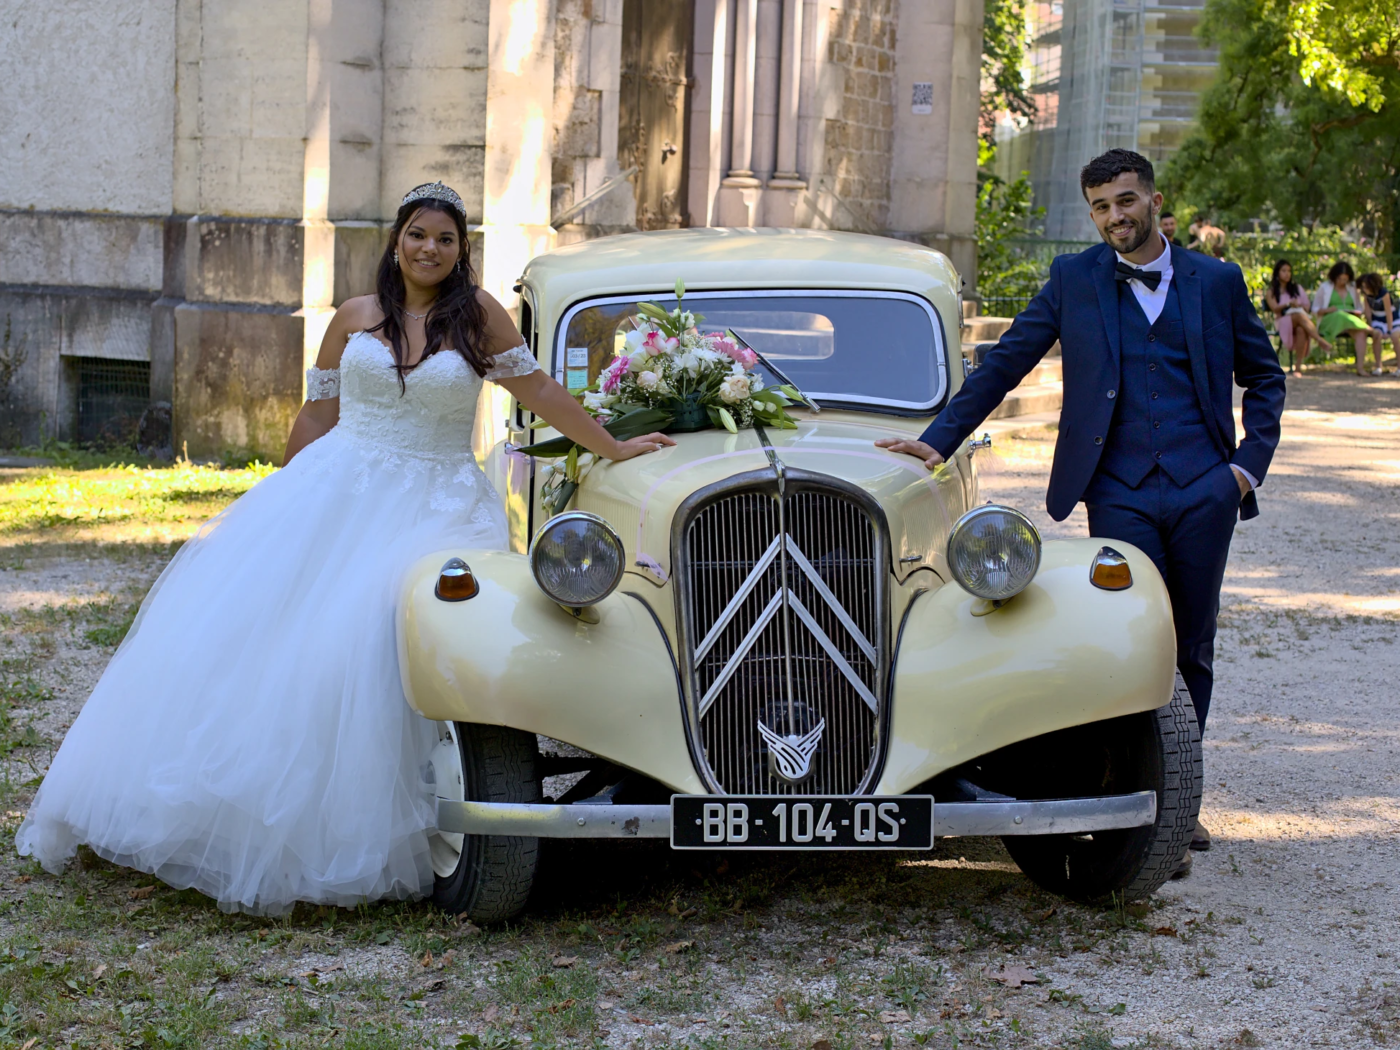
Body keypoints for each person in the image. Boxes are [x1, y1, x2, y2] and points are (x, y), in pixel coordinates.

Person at [15, 182, 675, 914]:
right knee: (291, 638)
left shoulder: (479, 317)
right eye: (417, 234)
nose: (429, 249)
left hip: (439, 502)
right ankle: (267, 810)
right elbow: (317, 412)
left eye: (445, 239)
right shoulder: (356, 316)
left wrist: (612, 446)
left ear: (461, 250)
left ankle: (435, 805)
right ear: (397, 241)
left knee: (397, 623)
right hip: (342, 483)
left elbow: (541, 392)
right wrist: (283, 497)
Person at [874, 149, 1285, 879]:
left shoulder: (1217, 281)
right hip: (1118, 487)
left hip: (1204, 486)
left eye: (1125, 201)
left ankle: (1178, 798)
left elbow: (1264, 377)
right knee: (1130, 638)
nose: (1114, 217)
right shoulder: (1073, 279)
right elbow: (1006, 362)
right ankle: (1140, 798)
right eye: (1100, 207)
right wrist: (938, 442)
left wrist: (1244, 470)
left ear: (1154, 199)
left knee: (1191, 641)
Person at [1313, 261, 1382, 376]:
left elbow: (1359, 307)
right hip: (1330, 320)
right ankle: (1370, 330)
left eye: (1345, 279)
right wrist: (1328, 310)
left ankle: (1360, 368)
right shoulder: (1324, 287)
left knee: (1360, 333)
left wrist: (1356, 313)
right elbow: (1315, 309)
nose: (1342, 282)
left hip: (1351, 321)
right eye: (1340, 279)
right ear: (1334, 277)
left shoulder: (1352, 287)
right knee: (1340, 315)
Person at [1264, 259, 1331, 376]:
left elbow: (1307, 306)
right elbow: (1274, 308)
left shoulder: (1297, 288)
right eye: (1284, 271)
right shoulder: (1271, 291)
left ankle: (1298, 367)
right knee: (1299, 316)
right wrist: (1288, 304)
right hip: (1282, 321)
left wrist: (1298, 305)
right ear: (1277, 273)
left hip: (1301, 320)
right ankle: (1318, 339)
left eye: (1289, 271)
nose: (1287, 274)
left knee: (1301, 330)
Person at [1357, 272, 1400, 375]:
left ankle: (1399, 367)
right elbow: (1368, 312)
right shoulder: (1366, 296)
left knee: (1395, 338)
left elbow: (1389, 313)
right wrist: (1371, 327)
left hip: (1392, 319)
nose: (1364, 289)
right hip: (1377, 320)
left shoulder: (1384, 293)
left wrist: (1389, 330)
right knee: (1376, 336)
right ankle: (1378, 366)